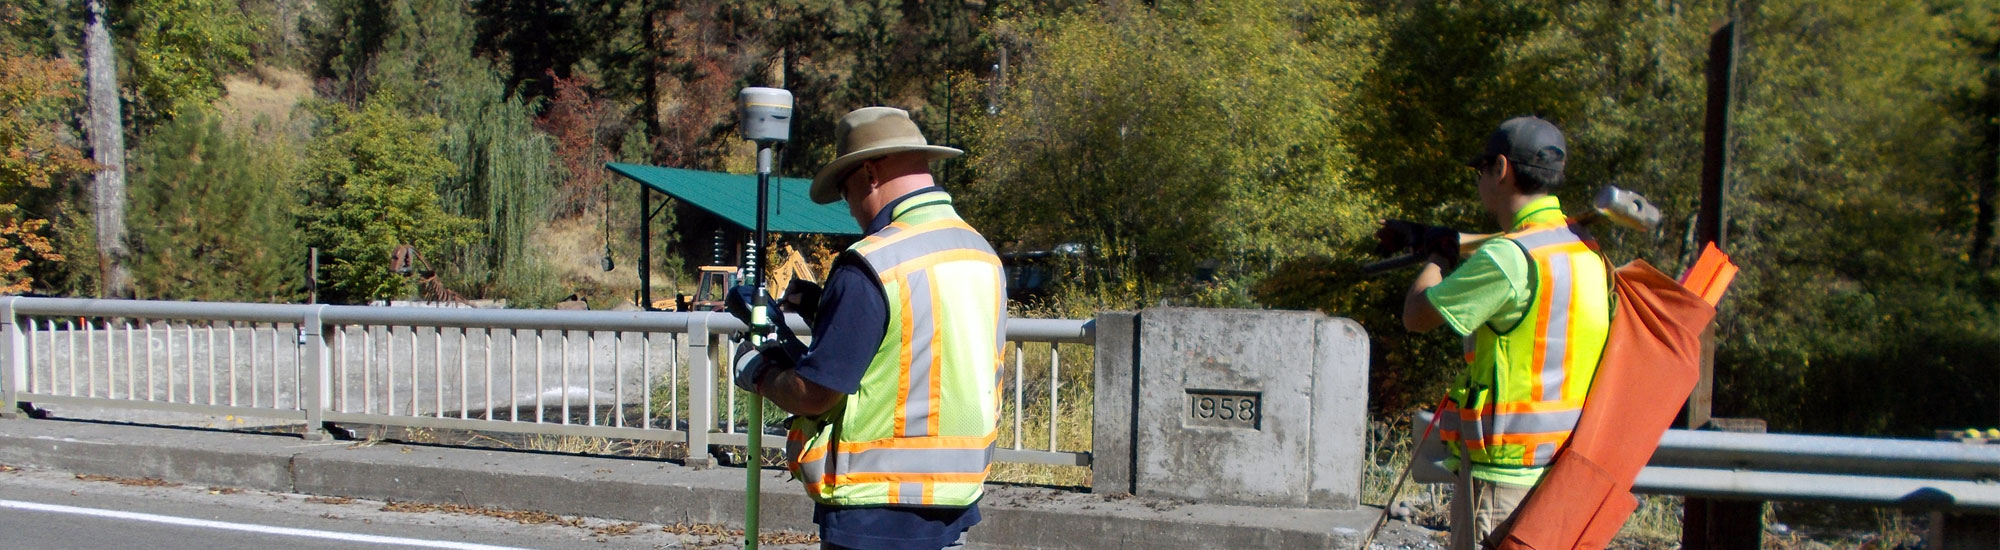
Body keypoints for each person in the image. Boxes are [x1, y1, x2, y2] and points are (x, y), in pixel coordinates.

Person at [732, 106, 1006, 550]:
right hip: (953, 503)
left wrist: (758, 371)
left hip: (875, 507)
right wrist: (823, 307)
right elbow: (918, 341)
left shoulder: (873, 261)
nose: (851, 208)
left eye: (845, 191)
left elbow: (817, 392)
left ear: (870, 174)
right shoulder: (978, 252)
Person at [1392, 116, 1611, 548]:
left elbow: (1416, 315)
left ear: (1502, 169)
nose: (1480, 180)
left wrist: (1437, 257)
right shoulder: (1585, 248)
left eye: (1481, 170)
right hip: (1566, 464)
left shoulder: (1510, 257)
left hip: (1504, 477)